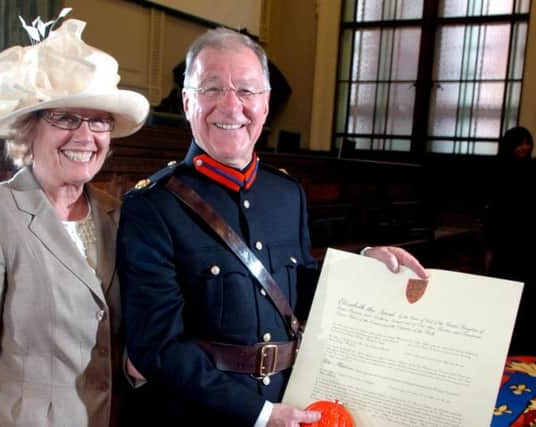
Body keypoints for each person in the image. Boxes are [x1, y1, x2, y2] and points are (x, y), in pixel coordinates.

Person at [117, 28, 428, 426]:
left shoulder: (286, 193)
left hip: (291, 403)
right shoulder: (153, 206)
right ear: (186, 101)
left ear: (265, 104)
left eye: (247, 91)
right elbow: (156, 348)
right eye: (212, 89)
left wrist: (368, 266)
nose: (231, 106)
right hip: (203, 415)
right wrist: (261, 414)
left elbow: (300, 287)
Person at [0, 18, 150, 427]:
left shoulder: (119, 213)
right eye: (66, 118)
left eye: (99, 120)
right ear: (27, 129)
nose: (85, 135)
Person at [485, 126, 535, 355]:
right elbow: (494, 211)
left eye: (528, 142)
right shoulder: (499, 168)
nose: (525, 147)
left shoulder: (532, 168)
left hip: (528, 238)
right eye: (520, 142)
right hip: (506, 239)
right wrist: (490, 246)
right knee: (505, 292)